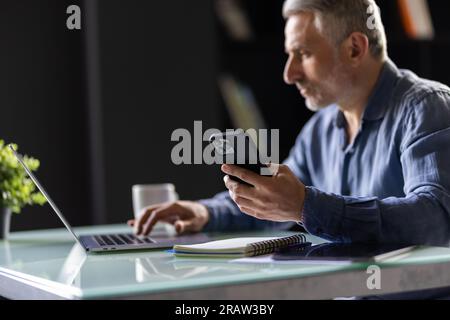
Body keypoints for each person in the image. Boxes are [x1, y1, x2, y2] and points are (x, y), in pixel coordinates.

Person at [129, 0, 450, 298]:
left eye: (303, 54)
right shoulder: (321, 127)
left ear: (354, 48)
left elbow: (434, 220)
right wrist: (205, 212)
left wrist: (305, 206)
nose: (289, 73)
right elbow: (277, 199)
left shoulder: (425, 108)